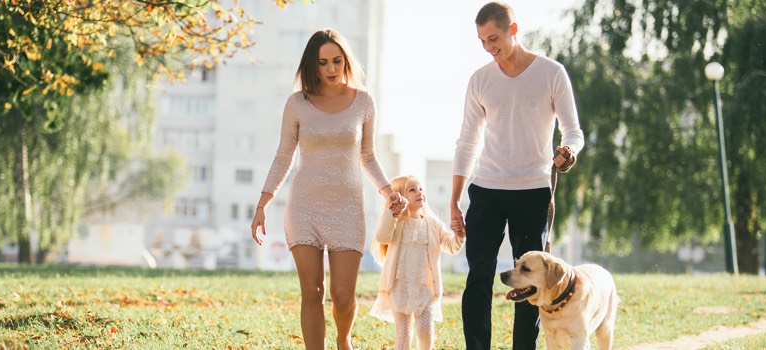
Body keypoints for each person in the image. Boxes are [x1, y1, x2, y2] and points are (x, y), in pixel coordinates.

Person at [251, 29, 404, 350]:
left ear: (346, 61)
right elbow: (283, 156)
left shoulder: (364, 101)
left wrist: (388, 191)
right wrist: (263, 204)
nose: (331, 68)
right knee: (312, 291)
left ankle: (343, 339)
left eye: (337, 60)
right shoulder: (297, 103)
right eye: (323, 63)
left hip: (347, 208)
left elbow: (368, 156)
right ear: (313, 65)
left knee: (343, 296)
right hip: (304, 207)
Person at [449, 2, 585, 349]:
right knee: (479, 276)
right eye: (482, 41)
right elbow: (467, 142)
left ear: (513, 30)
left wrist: (568, 151)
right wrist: (455, 201)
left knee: (530, 283)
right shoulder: (480, 80)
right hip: (487, 190)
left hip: (532, 191)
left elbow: (573, 131)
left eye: (493, 38)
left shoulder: (551, 73)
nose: (488, 47)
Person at [370, 175, 466, 350]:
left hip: (425, 287)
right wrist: (392, 213)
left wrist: (459, 235)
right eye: (412, 190)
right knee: (403, 333)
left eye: (421, 189)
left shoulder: (434, 223)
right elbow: (382, 237)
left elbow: (451, 247)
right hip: (399, 286)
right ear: (399, 197)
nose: (419, 193)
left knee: (425, 330)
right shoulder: (396, 222)